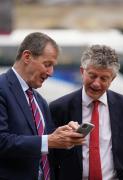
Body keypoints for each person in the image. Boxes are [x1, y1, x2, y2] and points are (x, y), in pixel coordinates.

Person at [50, 44, 123, 180]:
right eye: (92, 76)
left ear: (113, 79)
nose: (96, 84)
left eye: (104, 78)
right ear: (82, 72)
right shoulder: (59, 107)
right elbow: (50, 157)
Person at [0, 32, 84, 180]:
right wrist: (48, 140)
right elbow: (2, 141)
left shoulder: (40, 101)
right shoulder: (2, 88)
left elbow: (49, 149)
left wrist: (65, 137)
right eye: (47, 64)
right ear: (27, 57)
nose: (51, 72)